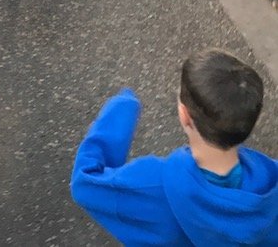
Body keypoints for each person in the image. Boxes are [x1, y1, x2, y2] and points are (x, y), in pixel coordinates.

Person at [71, 48, 277, 246]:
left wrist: (120, 111)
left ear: (184, 114)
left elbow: (84, 183)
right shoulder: (271, 184)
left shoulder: (148, 182)